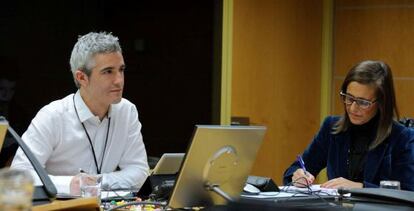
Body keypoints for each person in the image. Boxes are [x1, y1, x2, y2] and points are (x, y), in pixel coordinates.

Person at [11, 32, 149, 195]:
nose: (119, 80)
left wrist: (95, 182)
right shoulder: (52, 116)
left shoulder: (127, 111)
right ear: (82, 77)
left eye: (121, 69)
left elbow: (139, 171)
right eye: (108, 72)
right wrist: (69, 184)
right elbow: (18, 177)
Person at [283, 60, 414, 191]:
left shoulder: (402, 138)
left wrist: (361, 187)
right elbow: (294, 170)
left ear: (381, 103)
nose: (352, 108)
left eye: (362, 102)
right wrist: (298, 175)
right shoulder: (331, 127)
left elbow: (408, 192)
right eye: (349, 98)